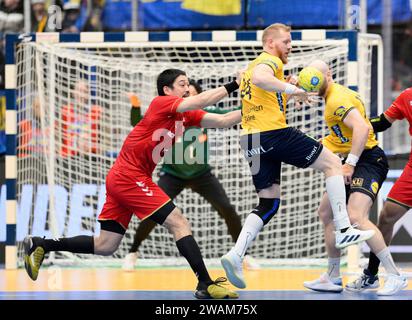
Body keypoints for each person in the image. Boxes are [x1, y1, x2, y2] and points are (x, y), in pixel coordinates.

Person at [23, 68, 242, 299]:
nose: (187, 88)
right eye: (182, 84)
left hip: (126, 177)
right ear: (167, 90)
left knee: (106, 245)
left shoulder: (187, 116)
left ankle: (42, 244)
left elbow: (225, 120)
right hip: (130, 176)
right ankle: (205, 283)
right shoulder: (161, 103)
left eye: (188, 84)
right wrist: (234, 85)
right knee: (178, 222)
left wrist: (264, 106)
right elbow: (202, 99)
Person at [220, 23, 375, 290]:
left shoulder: (255, 72)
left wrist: (289, 93)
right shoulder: (266, 61)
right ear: (270, 43)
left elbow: (262, 98)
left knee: (268, 204)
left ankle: (236, 254)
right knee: (334, 164)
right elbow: (260, 77)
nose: (290, 46)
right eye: (286, 42)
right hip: (273, 134)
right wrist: (292, 89)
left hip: (250, 139)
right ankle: (344, 228)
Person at [122, 79, 260, 271]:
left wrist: (257, 101)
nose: (190, 97)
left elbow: (230, 115)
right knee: (154, 214)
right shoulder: (169, 115)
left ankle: (242, 254)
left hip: (201, 174)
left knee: (227, 209)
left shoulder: (204, 114)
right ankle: (133, 252)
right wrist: (136, 106)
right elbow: (138, 122)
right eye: (186, 94)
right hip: (172, 174)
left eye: (194, 94)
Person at [301, 60, 408, 296]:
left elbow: (362, 128)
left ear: (328, 74)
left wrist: (349, 164)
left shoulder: (337, 99)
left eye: (316, 77)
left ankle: (394, 275)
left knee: (355, 216)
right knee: (327, 212)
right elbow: (345, 133)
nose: (313, 82)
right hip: (349, 159)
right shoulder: (331, 96)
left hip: (367, 160)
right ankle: (332, 276)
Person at [344, 87, 412, 292]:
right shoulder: (407, 96)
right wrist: (357, 124)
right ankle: (371, 275)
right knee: (387, 216)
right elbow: (382, 122)